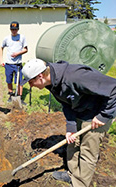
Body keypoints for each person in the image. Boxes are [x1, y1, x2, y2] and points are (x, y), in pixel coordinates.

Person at [21, 59, 116, 187]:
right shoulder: (52, 83)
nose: (31, 86)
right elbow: (66, 103)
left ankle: (80, 183)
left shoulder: (76, 76)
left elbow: (114, 88)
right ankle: (72, 174)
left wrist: (103, 116)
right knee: (72, 143)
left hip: (96, 114)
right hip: (79, 111)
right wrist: (71, 127)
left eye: (31, 82)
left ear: (40, 76)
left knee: (87, 151)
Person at [0, 21, 28, 105]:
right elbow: (1, 48)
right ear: (10, 29)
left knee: (20, 81)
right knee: (9, 80)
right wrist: (1, 60)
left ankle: (19, 97)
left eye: (15, 30)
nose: (14, 31)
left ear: (18, 29)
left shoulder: (22, 37)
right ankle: (11, 94)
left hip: (18, 64)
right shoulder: (6, 38)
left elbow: (26, 49)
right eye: (12, 29)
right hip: (8, 64)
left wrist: (17, 53)